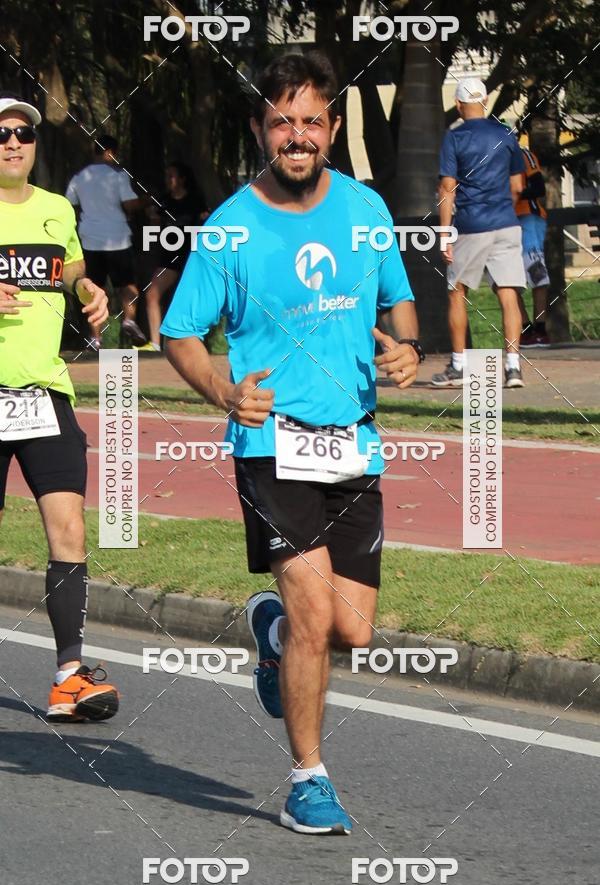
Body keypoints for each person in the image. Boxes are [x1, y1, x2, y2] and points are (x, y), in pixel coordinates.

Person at [161, 52, 422, 835]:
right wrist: (224, 392)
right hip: (271, 443)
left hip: (353, 443)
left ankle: (271, 632)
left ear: (332, 129)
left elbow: (399, 303)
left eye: (311, 121)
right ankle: (309, 779)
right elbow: (179, 334)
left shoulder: (366, 210)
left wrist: (408, 349)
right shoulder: (230, 228)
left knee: (352, 630)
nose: (298, 135)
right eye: (283, 122)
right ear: (260, 130)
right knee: (315, 616)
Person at [0, 93, 119, 721]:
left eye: (23, 133)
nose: (13, 143)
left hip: (43, 392)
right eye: (1, 134)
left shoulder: (54, 209)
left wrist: (87, 287)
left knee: (69, 528)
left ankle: (69, 678)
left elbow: (70, 267)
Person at [434, 77, 527, 389]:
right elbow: (518, 185)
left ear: (458, 104)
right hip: (507, 223)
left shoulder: (454, 137)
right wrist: (503, 208)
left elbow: (447, 188)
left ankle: (459, 365)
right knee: (508, 293)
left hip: (470, 225)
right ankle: (513, 368)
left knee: (457, 292)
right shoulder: (506, 134)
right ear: (485, 101)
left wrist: (445, 234)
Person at [66, 134, 147, 350]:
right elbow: (130, 204)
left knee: (93, 290)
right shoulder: (118, 176)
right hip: (117, 238)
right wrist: (146, 201)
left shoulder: (79, 177)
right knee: (128, 286)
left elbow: (69, 203)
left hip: (90, 240)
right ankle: (129, 320)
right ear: (110, 152)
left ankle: (95, 338)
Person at [144, 162, 209, 351]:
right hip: (170, 257)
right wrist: (153, 218)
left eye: (172, 176)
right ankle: (155, 344)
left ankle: (194, 344)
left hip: (192, 258)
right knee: (152, 294)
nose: (168, 180)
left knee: (190, 302)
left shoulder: (196, 201)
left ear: (182, 179)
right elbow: (154, 230)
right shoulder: (163, 201)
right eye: (167, 176)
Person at [515, 145, 550, 347]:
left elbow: (539, 187)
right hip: (500, 222)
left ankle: (541, 329)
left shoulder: (524, 155)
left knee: (537, 273)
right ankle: (526, 329)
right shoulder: (485, 157)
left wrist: (512, 194)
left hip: (529, 218)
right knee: (504, 279)